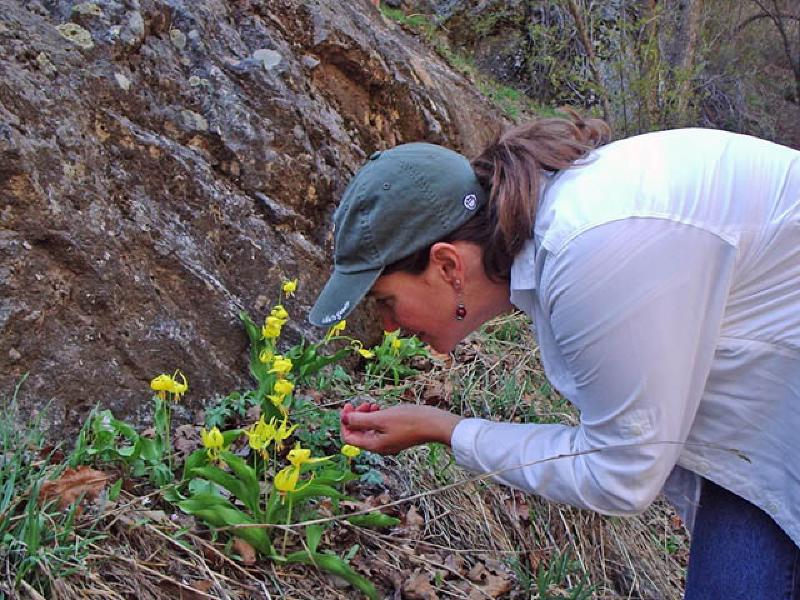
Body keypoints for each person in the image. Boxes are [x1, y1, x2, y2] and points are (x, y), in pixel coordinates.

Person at [308, 111, 800, 599]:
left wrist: (449, 430)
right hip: (768, 425)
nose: (391, 325)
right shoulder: (562, 237)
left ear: (447, 265)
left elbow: (619, 474)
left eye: (387, 302)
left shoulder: (589, 250)